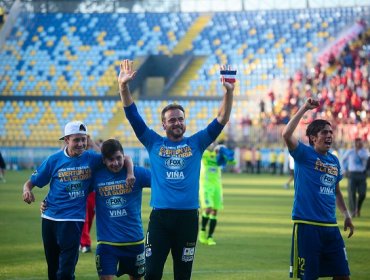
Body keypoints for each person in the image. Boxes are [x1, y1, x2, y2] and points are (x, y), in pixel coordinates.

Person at [117, 59, 235, 280]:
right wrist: (123, 86)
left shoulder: (197, 143)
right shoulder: (153, 142)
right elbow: (133, 116)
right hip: (160, 220)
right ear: (163, 124)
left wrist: (228, 92)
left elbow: (222, 118)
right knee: (152, 273)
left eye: (180, 119)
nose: (177, 123)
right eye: (172, 120)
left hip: (188, 220)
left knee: (183, 275)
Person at [282, 98, 354, 280]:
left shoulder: (334, 160)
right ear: (313, 138)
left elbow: (336, 191)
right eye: (324, 132)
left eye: (331, 132)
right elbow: (286, 134)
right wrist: (304, 107)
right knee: (309, 277)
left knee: (343, 275)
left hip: (331, 227)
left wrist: (346, 215)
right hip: (308, 226)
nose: (329, 135)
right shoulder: (303, 154)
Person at [22, 121, 103, 280]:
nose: (80, 144)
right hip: (49, 218)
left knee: (66, 272)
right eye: (76, 140)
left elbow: (111, 158)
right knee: (53, 270)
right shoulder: (54, 160)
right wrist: (26, 190)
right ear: (66, 140)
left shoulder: (92, 158)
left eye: (83, 139)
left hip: (73, 220)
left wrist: (92, 142)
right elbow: (32, 181)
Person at [94, 139, 150, 280]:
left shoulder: (137, 173)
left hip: (134, 242)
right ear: (104, 161)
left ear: (124, 156)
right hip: (107, 243)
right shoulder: (96, 176)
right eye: (110, 160)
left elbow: (162, 182)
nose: (116, 163)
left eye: (119, 158)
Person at [199, 143, 235, 246]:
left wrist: (226, 153)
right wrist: (218, 148)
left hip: (217, 187)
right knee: (208, 208)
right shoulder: (205, 154)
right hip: (206, 186)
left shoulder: (220, 158)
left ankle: (210, 237)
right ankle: (202, 232)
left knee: (214, 211)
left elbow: (231, 161)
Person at [341, 137, 369, 217]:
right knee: (351, 193)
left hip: (362, 174)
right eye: (358, 142)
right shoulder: (350, 152)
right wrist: (344, 170)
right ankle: (353, 211)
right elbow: (343, 160)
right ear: (355, 143)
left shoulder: (365, 152)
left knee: (362, 193)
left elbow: (367, 159)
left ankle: (358, 207)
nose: (359, 144)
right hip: (352, 174)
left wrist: (359, 152)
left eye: (360, 142)